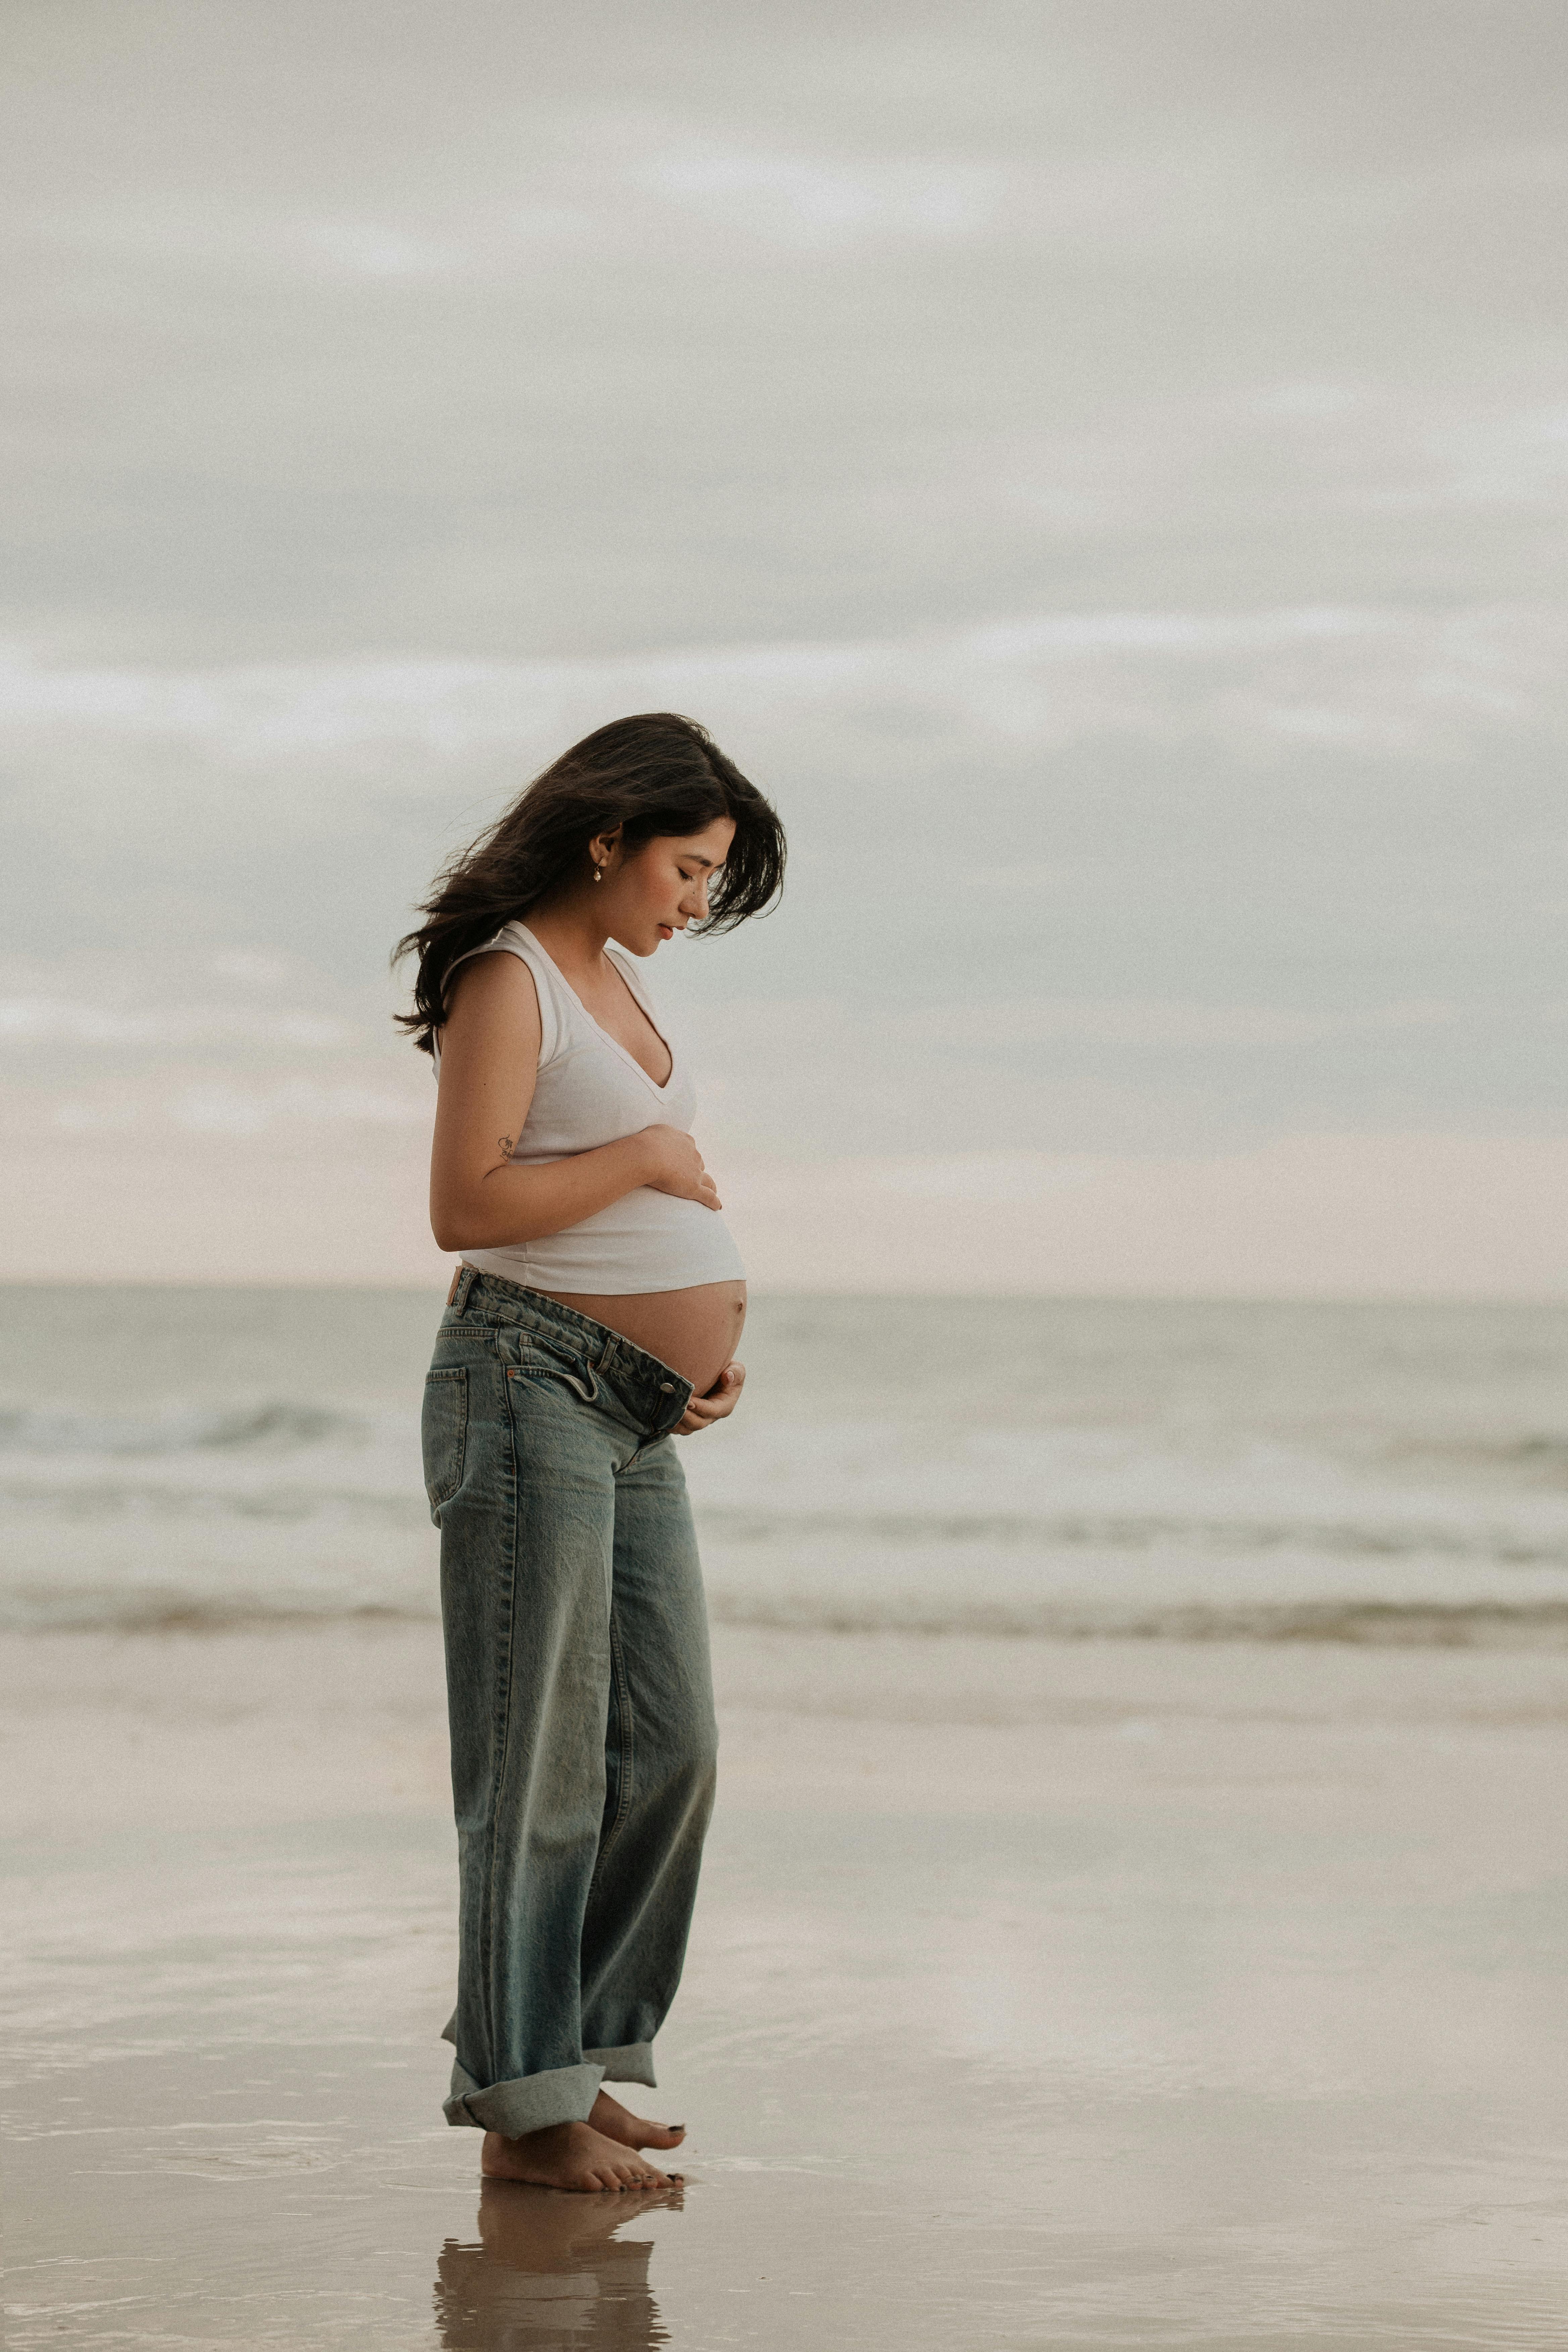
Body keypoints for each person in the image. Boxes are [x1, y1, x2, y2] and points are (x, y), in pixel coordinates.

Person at [396, 712, 785, 2194]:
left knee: (669, 1747)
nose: (696, 904)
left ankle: (578, 2054)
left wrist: (696, 1350)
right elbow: (468, 1205)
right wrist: (643, 1165)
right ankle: (524, 2103)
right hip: (525, 1378)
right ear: (608, 836)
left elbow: (639, 1214)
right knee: (536, 1767)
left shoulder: (610, 983)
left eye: (713, 881)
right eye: (689, 870)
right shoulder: (510, 975)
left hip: (625, 1403)